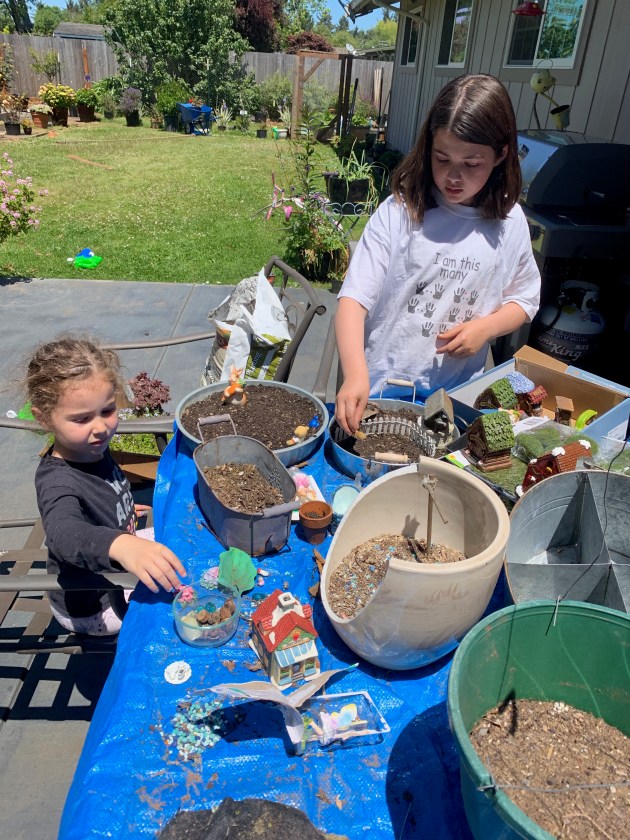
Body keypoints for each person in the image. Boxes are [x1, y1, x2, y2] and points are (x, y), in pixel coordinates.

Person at [335, 74, 541, 434]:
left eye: (472, 163)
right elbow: (353, 299)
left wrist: (485, 328)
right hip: (383, 389)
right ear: (428, 146)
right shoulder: (400, 211)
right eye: (442, 158)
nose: (453, 176)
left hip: (456, 400)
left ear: (502, 154)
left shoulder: (510, 223)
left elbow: (524, 301)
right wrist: (355, 374)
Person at [26, 336, 187, 635]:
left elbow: (100, 491)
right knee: (172, 613)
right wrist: (121, 543)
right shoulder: (56, 481)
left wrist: (120, 507)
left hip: (113, 563)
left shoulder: (89, 446)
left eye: (107, 410)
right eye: (81, 418)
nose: (100, 427)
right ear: (44, 419)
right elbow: (65, 534)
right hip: (92, 603)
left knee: (183, 543)